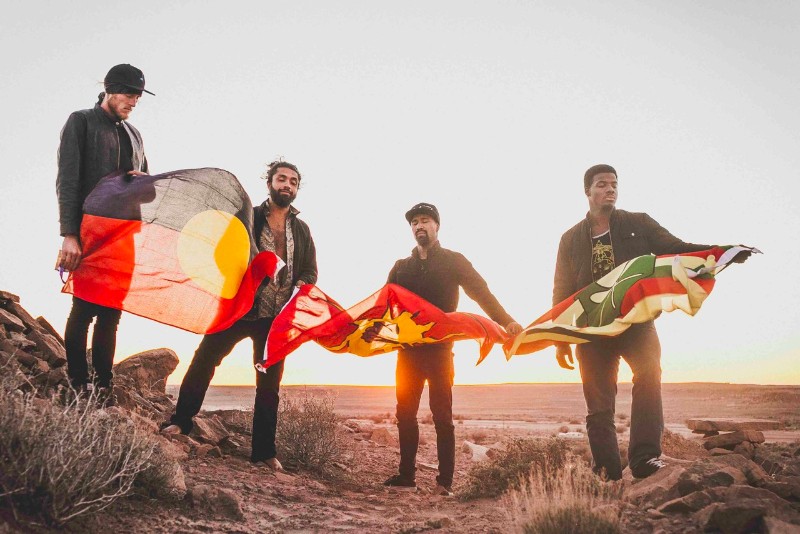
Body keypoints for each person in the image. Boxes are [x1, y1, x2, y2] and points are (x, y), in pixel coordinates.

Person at [552, 164, 750, 480]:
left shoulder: (639, 223)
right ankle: (607, 473)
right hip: (591, 328)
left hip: (636, 320)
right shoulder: (570, 238)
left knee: (648, 375)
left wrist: (722, 253)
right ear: (587, 191)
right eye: (602, 184)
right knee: (599, 406)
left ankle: (645, 459)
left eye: (614, 184)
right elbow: (562, 289)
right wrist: (560, 339)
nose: (610, 189)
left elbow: (677, 248)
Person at [161, 160, 317, 470]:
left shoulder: (301, 229)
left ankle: (264, 452)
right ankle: (181, 421)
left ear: (297, 189)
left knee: (269, 384)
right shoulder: (248, 217)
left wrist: (303, 282)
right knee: (205, 360)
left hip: (276, 317)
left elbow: (310, 269)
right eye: (282, 179)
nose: (287, 185)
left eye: (293, 181)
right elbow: (222, 252)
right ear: (270, 183)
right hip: (240, 308)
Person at [379, 203, 522, 495]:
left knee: (442, 416)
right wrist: (364, 330)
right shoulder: (401, 267)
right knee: (405, 414)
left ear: (437, 226)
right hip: (408, 351)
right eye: (414, 222)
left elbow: (481, 292)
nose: (419, 226)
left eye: (425, 220)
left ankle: (444, 482)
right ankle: (406, 476)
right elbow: (383, 304)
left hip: (441, 351)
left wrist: (505, 320)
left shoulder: (454, 261)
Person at [56, 63, 153, 400]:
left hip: (124, 234)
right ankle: (77, 382)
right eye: (129, 94)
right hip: (90, 231)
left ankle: (102, 385)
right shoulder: (81, 121)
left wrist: (141, 182)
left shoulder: (135, 135)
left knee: (112, 314)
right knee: (83, 309)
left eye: (138, 96)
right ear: (110, 90)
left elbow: (148, 192)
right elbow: (67, 181)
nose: (134, 101)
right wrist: (69, 234)